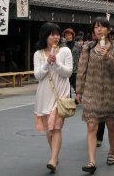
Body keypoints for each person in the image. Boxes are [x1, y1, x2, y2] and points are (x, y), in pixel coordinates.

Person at [76, 17, 114, 173]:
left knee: (111, 125)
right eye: (96, 27)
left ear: (108, 29)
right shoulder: (88, 48)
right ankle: (92, 161)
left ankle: (111, 152)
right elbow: (82, 70)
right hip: (92, 91)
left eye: (102, 27)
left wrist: (107, 57)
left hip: (112, 92)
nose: (99, 30)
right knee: (91, 125)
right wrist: (79, 90)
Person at [33, 22, 73, 172]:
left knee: (56, 127)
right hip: (44, 94)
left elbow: (68, 72)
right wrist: (46, 63)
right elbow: (38, 75)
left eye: (57, 34)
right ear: (45, 36)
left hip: (60, 94)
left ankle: (53, 159)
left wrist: (56, 63)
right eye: (52, 34)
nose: (56, 37)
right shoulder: (38, 54)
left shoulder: (65, 52)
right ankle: (54, 154)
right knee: (49, 130)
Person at [62, 28, 82, 99]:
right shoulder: (62, 46)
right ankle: (69, 99)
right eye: (66, 35)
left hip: (76, 68)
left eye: (69, 35)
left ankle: (78, 98)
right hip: (66, 68)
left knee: (76, 85)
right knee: (67, 86)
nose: (68, 37)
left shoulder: (78, 45)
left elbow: (81, 56)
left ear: (72, 36)